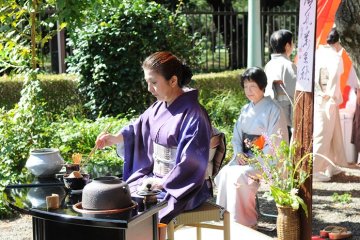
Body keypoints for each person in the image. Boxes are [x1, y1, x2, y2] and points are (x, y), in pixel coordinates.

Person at [95, 51, 213, 224]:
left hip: (183, 187)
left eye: (154, 83)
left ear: (173, 81)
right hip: (154, 180)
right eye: (147, 82)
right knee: (117, 198)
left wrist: (163, 182)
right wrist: (114, 138)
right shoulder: (158, 107)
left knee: (142, 213)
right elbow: (137, 129)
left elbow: (191, 163)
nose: (149, 89)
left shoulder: (195, 114)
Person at [214, 67, 288, 227]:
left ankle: (244, 222)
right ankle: (225, 221)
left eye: (252, 86)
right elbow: (237, 137)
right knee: (226, 173)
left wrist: (255, 159)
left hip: (266, 161)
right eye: (246, 87)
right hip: (245, 158)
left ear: (262, 86)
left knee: (240, 176)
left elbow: (275, 142)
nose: (249, 91)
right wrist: (239, 153)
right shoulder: (245, 109)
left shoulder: (274, 110)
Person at [313, 28, 348, 181]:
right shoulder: (335, 57)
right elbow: (335, 76)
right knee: (323, 134)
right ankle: (313, 169)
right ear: (340, 41)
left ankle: (330, 166)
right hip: (327, 98)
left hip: (319, 96)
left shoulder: (319, 52)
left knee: (333, 135)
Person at [264, 29, 297, 138]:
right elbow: (295, 93)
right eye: (292, 42)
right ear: (288, 45)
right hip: (284, 116)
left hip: (269, 113)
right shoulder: (289, 65)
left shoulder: (269, 65)